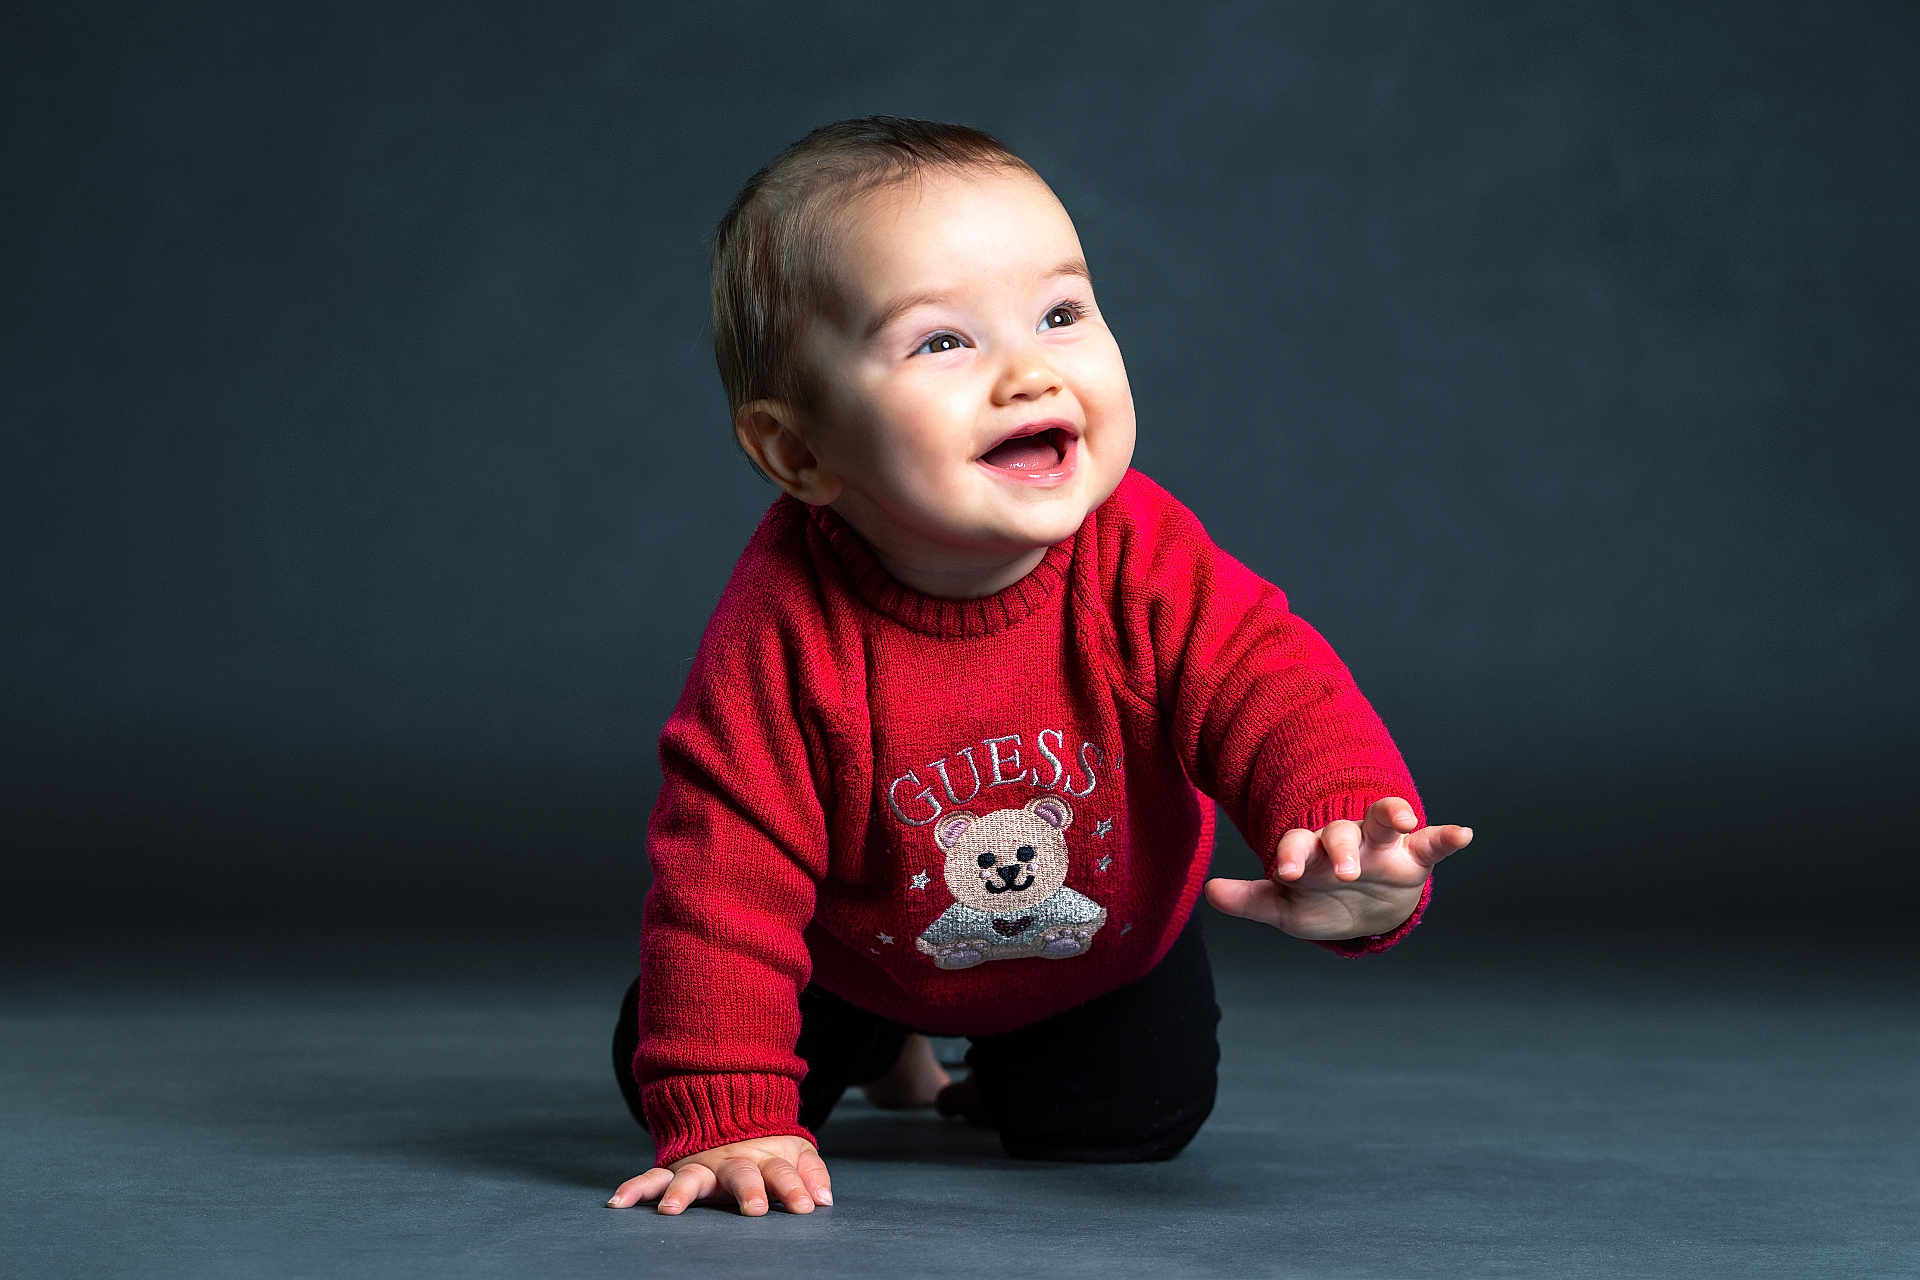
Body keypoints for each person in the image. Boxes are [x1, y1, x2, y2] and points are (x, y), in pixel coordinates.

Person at [605, 115, 1474, 1217]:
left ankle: (998, 1064)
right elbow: (725, 872)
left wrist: (1343, 825)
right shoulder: (783, 631)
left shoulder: (1144, 556)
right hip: (850, 952)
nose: (1028, 371)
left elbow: (1271, 682)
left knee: (1130, 1128)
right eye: (941, 342)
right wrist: (728, 1111)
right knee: (675, 1072)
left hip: (1100, 952)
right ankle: (879, 1037)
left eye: (1061, 314)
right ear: (799, 451)